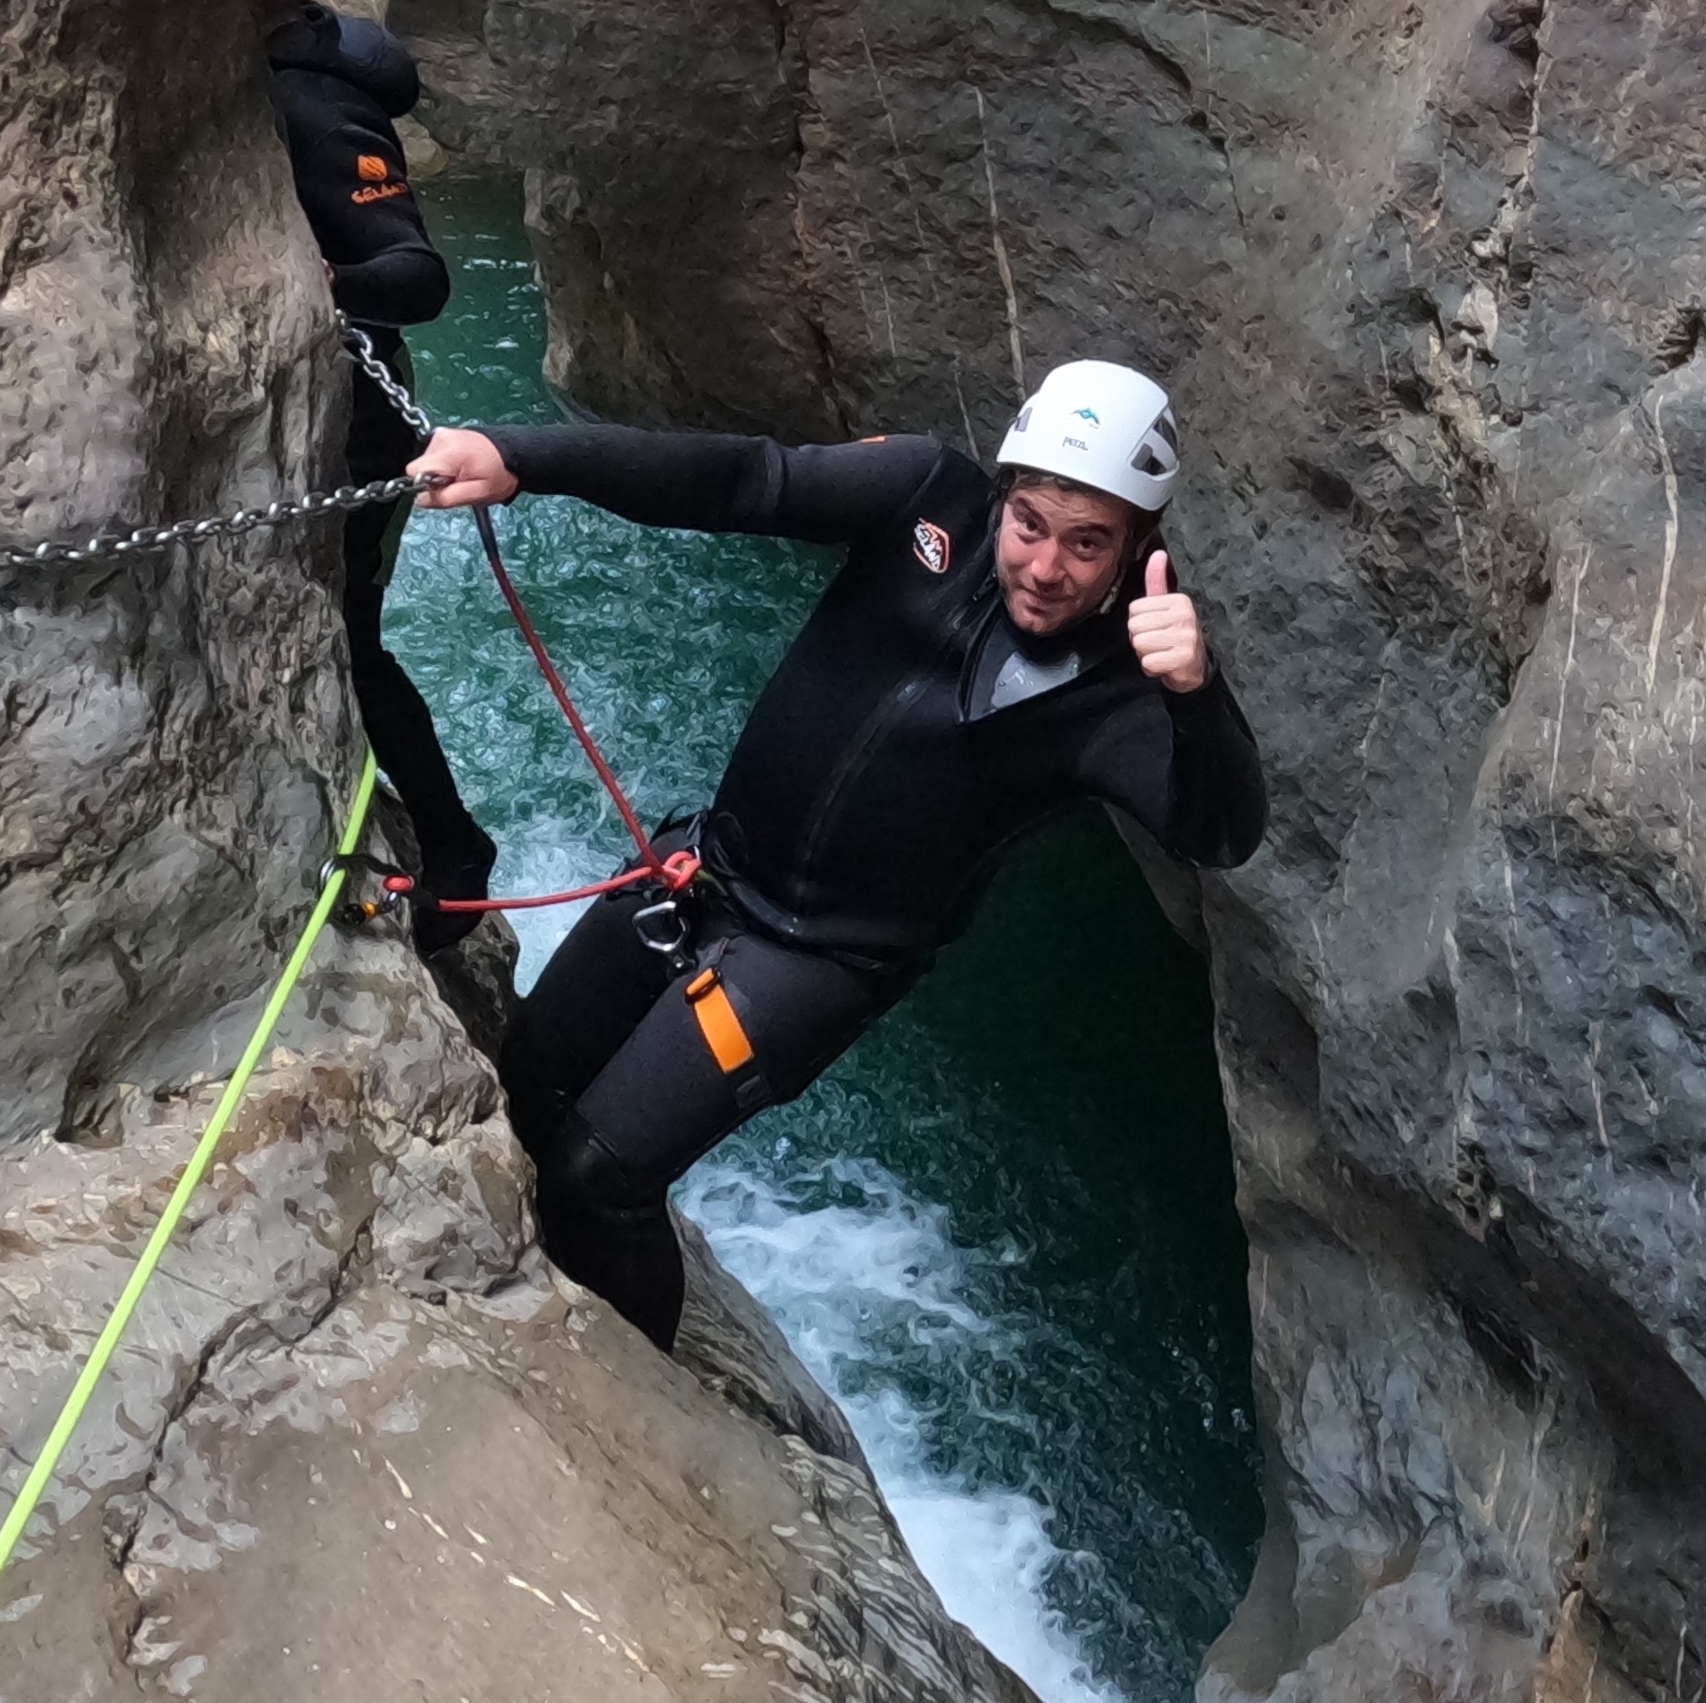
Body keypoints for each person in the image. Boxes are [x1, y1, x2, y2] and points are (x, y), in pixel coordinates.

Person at [408, 361, 1267, 1351]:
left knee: (603, 1177)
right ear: (1001, 494)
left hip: (817, 962)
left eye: (1087, 544)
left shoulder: (1117, 690)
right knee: (528, 1075)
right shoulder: (925, 497)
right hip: (709, 867)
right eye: (1029, 523)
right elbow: (746, 479)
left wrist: (1196, 694)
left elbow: (1219, 833)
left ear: (1135, 550)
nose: (1044, 566)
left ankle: (643, 1398)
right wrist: (520, 457)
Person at [258, 0, 494, 950]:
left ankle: (456, 849)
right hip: (334, 414)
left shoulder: (315, 104)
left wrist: (324, 281)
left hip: (357, 422)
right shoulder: (267, 64)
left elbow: (416, 276)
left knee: (350, 638)